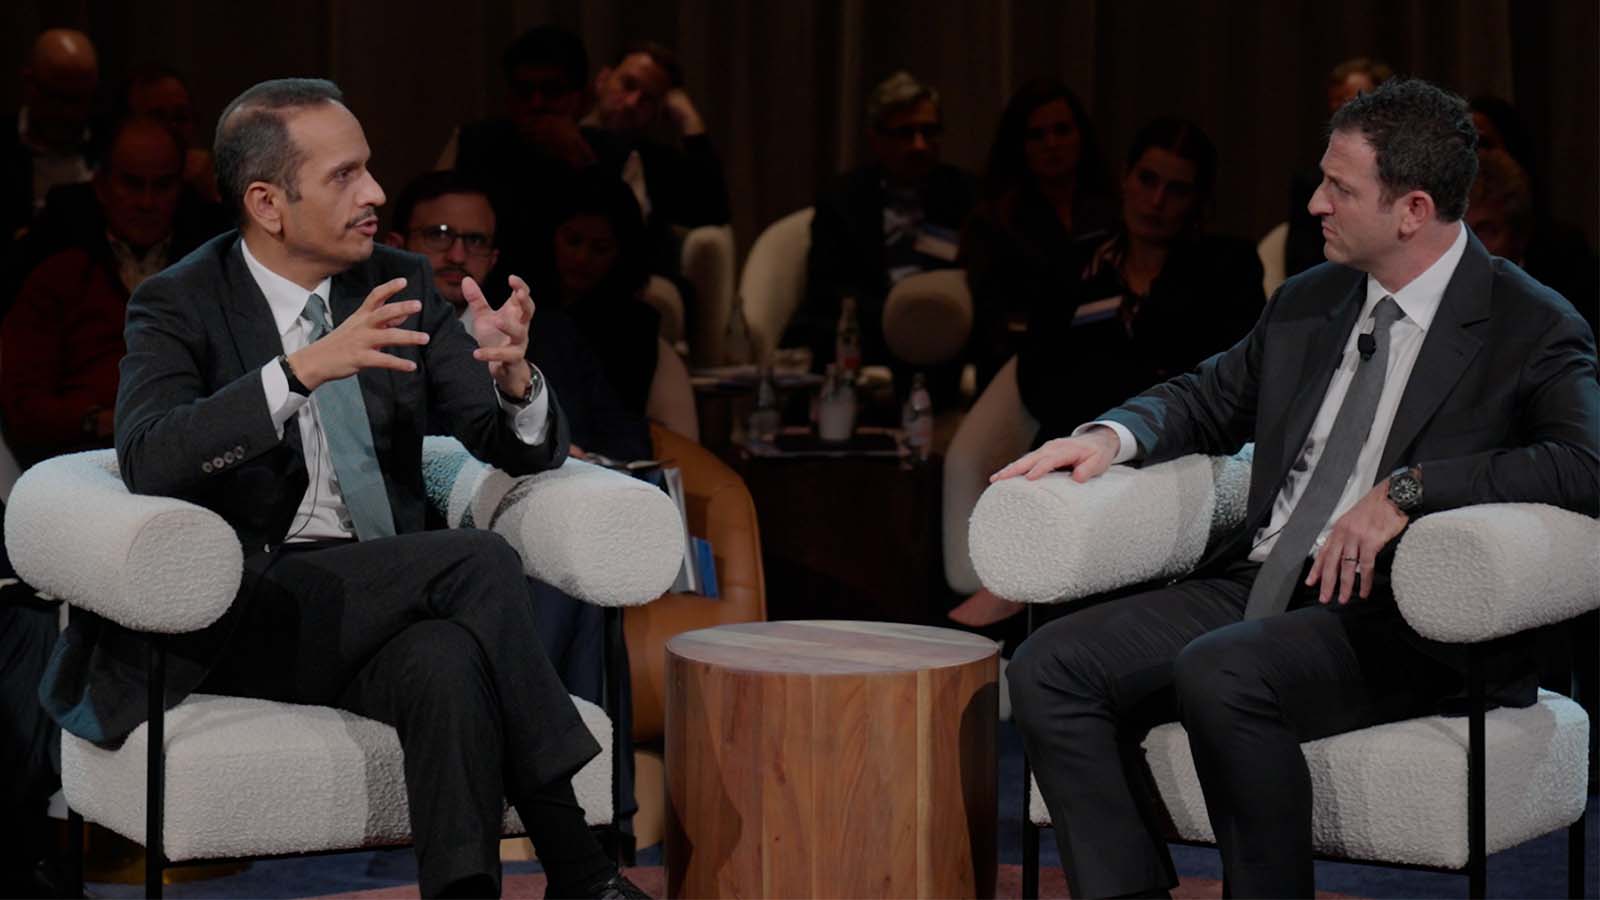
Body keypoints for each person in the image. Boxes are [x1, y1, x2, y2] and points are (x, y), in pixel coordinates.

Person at [38, 78, 648, 900]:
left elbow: (506, 445)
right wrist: (297, 373)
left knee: (448, 661)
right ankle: (578, 864)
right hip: (243, 606)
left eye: (369, 168)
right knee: (477, 560)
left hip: (382, 596)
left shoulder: (399, 281)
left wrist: (514, 380)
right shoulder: (180, 301)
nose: (376, 194)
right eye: (344, 175)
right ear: (268, 203)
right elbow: (148, 456)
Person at [1000, 78, 1598, 899]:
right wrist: (1109, 436)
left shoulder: (1531, 323)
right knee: (1047, 666)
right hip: (1268, 578)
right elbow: (1207, 396)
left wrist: (1410, 490)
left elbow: (1584, 462)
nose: (1315, 203)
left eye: (1338, 188)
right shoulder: (1310, 299)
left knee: (1222, 672)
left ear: (1412, 210)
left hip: (1403, 615)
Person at [951, 117, 1262, 629]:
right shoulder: (1075, 262)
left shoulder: (1226, 267)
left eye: (1176, 189)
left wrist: (1123, 401)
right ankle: (1015, 614)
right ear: (1125, 178)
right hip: (1077, 433)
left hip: (1176, 449)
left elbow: (1223, 383)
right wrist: (1103, 419)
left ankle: (1016, 613)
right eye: (1148, 180)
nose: (1157, 201)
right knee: (1066, 466)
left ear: (1198, 200)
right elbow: (1038, 376)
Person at [1, 117, 189, 467]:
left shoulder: (209, 274)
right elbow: (22, 406)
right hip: (80, 460)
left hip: (190, 457)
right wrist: (96, 420)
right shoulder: (59, 277)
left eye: (162, 185)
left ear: (181, 188)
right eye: (132, 184)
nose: (147, 202)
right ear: (101, 187)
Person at [798, 70, 976, 396]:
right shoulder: (843, 199)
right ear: (876, 140)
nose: (919, 145)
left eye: (929, 132)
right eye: (905, 133)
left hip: (946, 334)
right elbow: (826, 288)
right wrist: (898, 317)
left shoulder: (965, 194)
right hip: (871, 332)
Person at [961, 76, 1118, 390]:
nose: (1052, 144)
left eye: (1062, 130)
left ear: (1081, 136)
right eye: (1037, 135)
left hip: (1106, 358)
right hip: (1020, 366)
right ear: (1019, 145)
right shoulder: (992, 221)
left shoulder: (1113, 211)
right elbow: (991, 324)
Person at [444, 25, 595, 283]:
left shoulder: (610, 151)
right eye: (524, 92)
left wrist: (582, 163)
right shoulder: (475, 142)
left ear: (581, 98)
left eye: (552, 91)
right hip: (491, 284)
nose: (536, 104)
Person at [583, 41, 731, 276]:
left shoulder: (655, 163)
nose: (632, 103)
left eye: (647, 99)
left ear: (658, 112)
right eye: (628, 85)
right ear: (603, 79)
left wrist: (689, 120)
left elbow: (714, 212)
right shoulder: (562, 142)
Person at [532, 169, 661, 418]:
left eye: (600, 248)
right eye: (573, 241)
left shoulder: (635, 326)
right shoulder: (519, 301)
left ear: (622, 253)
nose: (582, 258)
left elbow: (621, 420)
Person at [1283, 57, 1393, 280]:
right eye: (1334, 101)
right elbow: (1300, 264)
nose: (1339, 110)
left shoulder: (1409, 171)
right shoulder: (1310, 182)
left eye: (1349, 100)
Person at [3, 29, 99, 242]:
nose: (68, 113)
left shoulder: (110, 143)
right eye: (56, 97)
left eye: (79, 100)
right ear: (29, 83)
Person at [125, 64, 220, 202]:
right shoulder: (118, 186)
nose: (172, 128)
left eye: (181, 117)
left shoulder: (206, 182)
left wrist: (215, 193)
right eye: (157, 118)